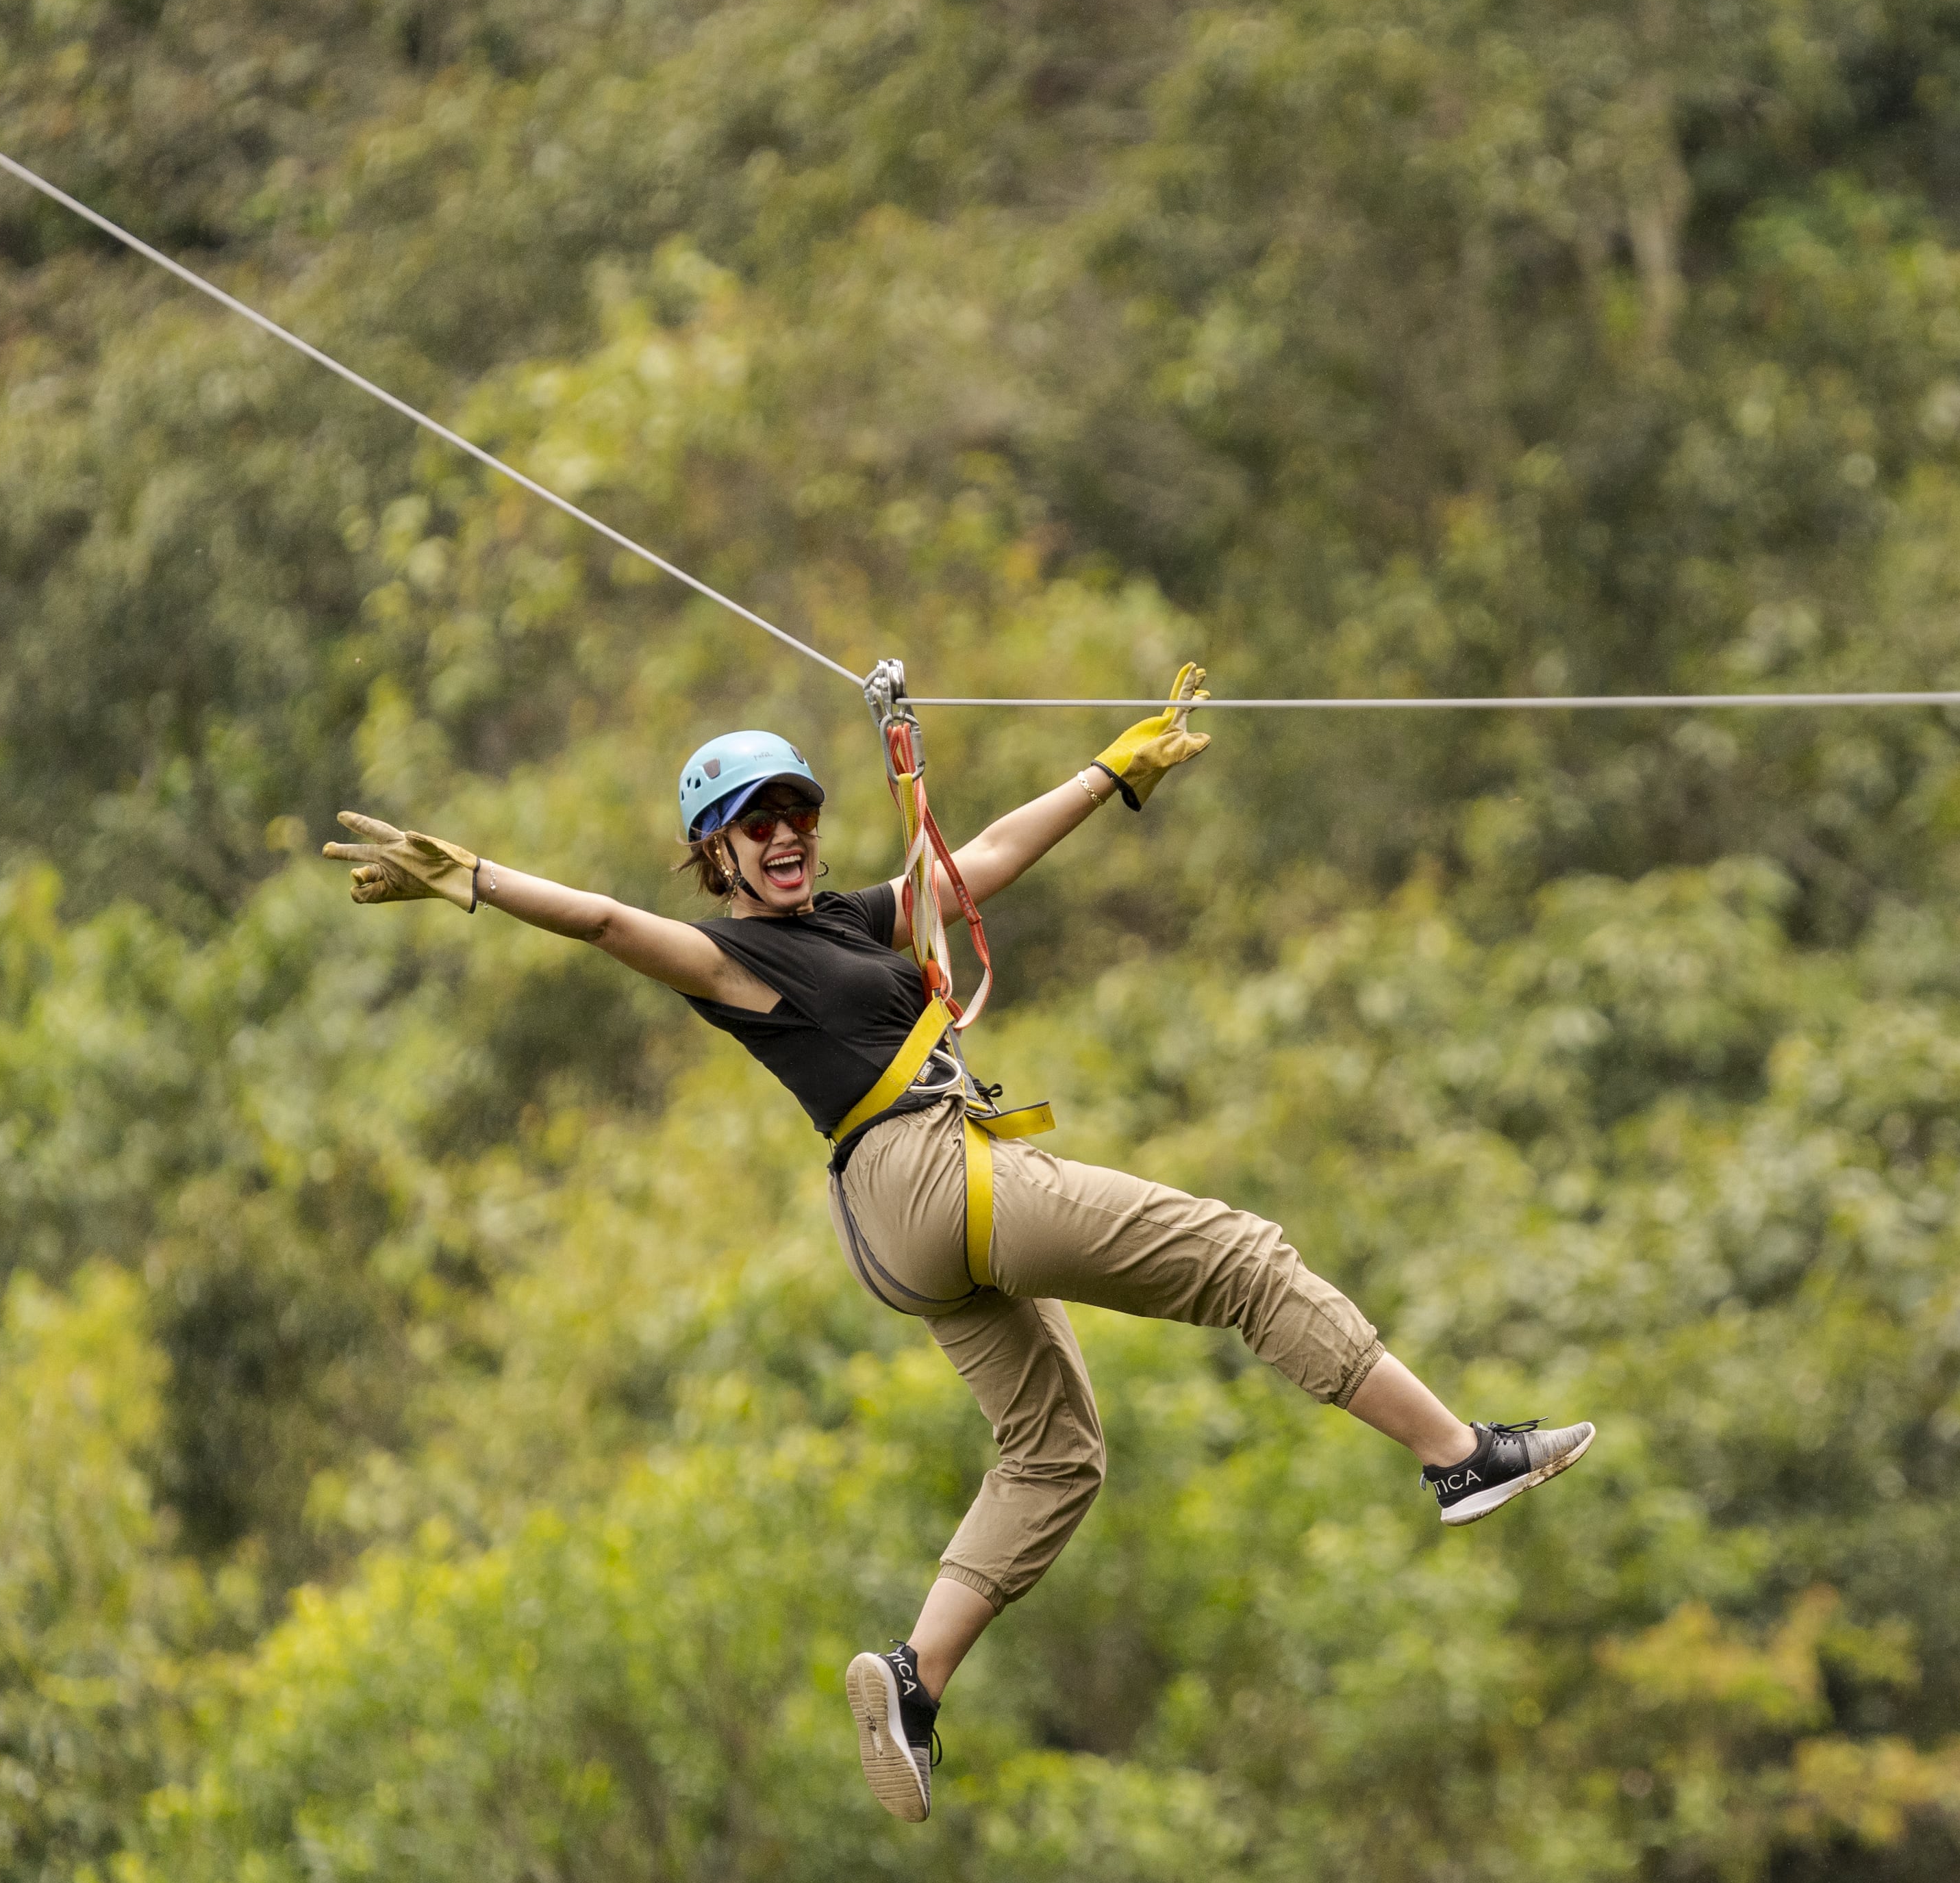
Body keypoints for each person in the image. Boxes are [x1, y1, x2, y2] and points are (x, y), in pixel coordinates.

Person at [318, 672, 1594, 1823]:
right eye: (756, 823)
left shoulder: (843, 923)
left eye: (797, 811)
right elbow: (607, 922)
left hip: (906, 1223)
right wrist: (477, 879)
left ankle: (915, 1682)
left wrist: (1109, 773)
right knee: (1242, 1258)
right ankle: (1457, 1456)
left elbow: (974, 863)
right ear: (714, 852)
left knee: (1057, 1453)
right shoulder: (732, 958)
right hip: (929, 1174)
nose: (784, 833)